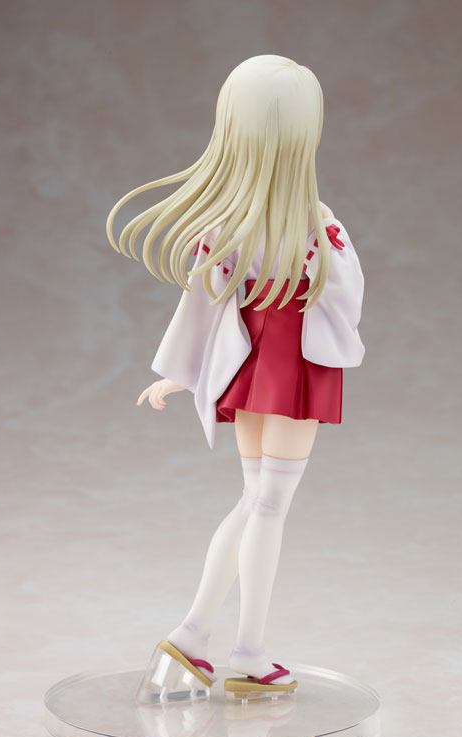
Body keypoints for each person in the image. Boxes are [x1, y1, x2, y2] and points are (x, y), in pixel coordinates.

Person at [106, 55, 365, 695]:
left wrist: (188, 372)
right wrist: (186, 373)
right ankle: (242, 649)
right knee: (269, 505)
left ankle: (198, 636)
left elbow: (204, 302)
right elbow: (345, 295)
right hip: (296, 362)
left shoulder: (229, 222)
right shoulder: (317, 219)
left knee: (255, 500)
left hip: (250, 360)